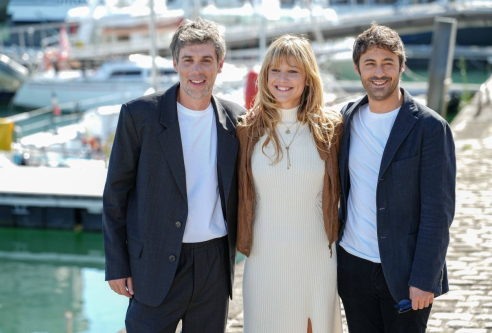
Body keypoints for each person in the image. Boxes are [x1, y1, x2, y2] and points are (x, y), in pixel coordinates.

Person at [102, 17, 246, 333]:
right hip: (152, 263)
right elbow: (116, 193)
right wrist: (117, 264)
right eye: (188, 61)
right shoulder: (139, 115)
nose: (197, 70)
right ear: (174, 63)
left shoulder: (238, 120)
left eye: (206, 61)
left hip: (213, 265)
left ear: (220, 65)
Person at [337, 24, 456, 332]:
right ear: (357, 69)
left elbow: (438, 212)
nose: (379, 72)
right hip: (353, 266)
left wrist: (424, 279)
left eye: (388, 63)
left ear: (402, 66)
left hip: (405, 274)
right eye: (370, 64)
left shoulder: (430, 128)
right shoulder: (345, 119)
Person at [237, 34, 343, 333]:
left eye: (293, 71)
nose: (282, 78)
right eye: (275, 70)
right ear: (265, 76)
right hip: (263, 257)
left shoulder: (330, 130)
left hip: (316, 255)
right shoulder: (247, 130)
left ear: (308, 79)